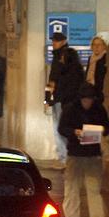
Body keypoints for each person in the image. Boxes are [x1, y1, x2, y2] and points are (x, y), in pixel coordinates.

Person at [58, 83, 109, 217]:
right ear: (80, 99)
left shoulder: (99, 109)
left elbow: (107, 127)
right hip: (75, 153)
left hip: (93, 154)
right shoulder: (70, 109)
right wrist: (75, 132)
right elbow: (62, 128)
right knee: (72, 187)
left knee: (94, 188)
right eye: (85, 100)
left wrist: (100, 130)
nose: (88, 103)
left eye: (90, 100)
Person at [46, 31, 84, 166]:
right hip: (59, 99)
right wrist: (47, 99)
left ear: (63, 42)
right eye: (53, 41)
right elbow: (52, 80)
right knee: (59, 128)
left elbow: (61, 80)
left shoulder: (67, 55)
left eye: (56, 41)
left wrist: (51, 99)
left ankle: (66, 157)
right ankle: (64, 157)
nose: (53, 43)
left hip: (64, 99)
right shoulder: (57, 57)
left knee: (62, 128)